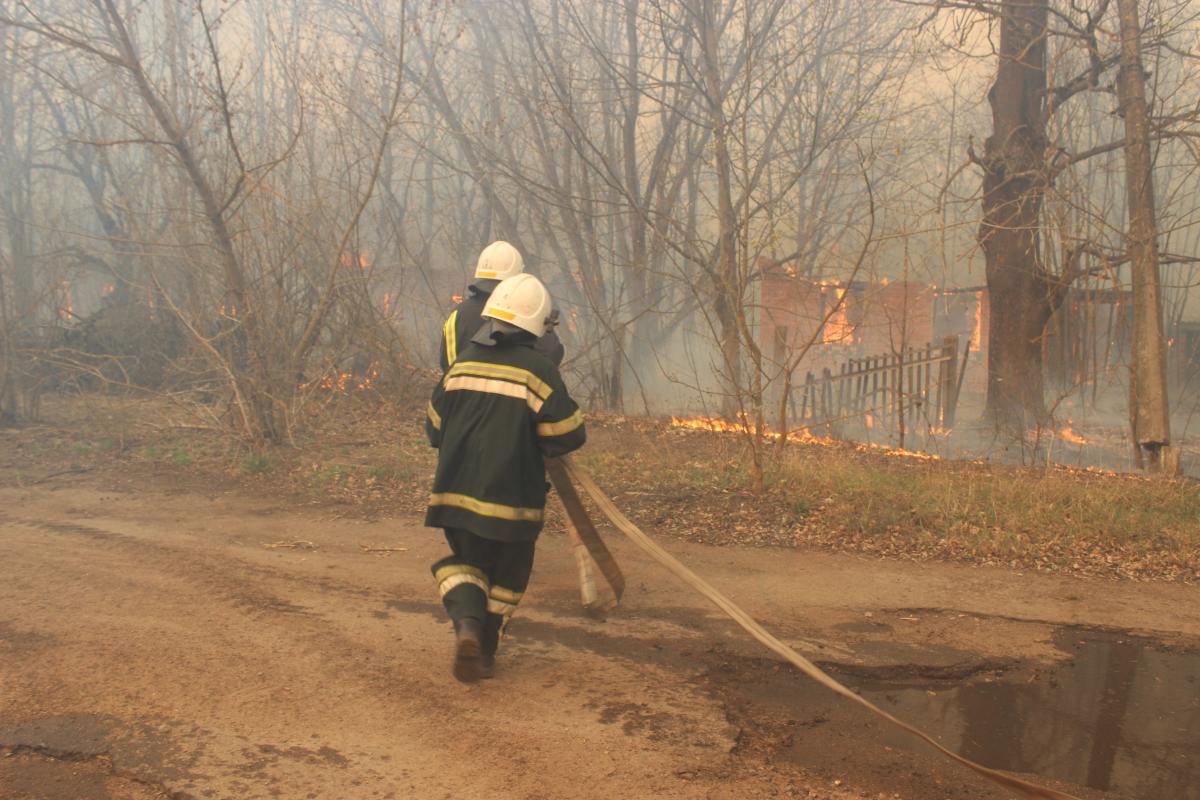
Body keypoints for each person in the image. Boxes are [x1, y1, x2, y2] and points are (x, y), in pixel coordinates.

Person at [425, 273, 586, 682]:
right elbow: (565, 435)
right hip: (512, 503)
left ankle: (466, 626)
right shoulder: (538, 371)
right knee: (508, 578)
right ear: (536, 326)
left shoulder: (461, 364)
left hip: (454, 497)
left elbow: (433, 428)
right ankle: (487, 646)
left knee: (464, 565)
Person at [438, 240, 564, 372]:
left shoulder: (458, 314)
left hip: (461, 390)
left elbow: (447, 364)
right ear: (516, 277)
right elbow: (552, 355)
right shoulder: (526, 314)